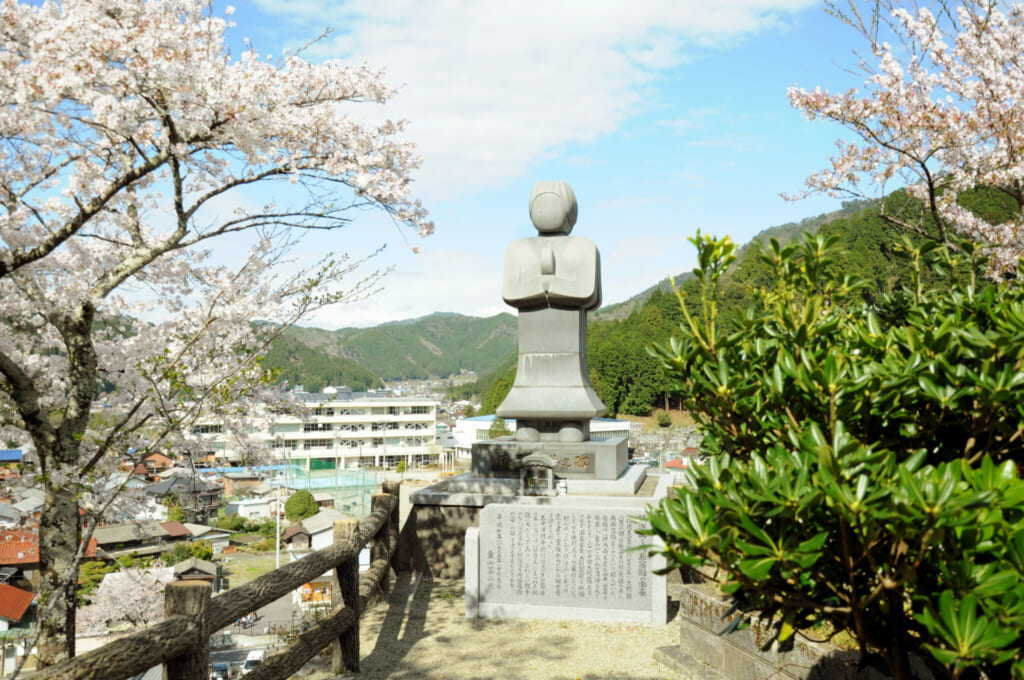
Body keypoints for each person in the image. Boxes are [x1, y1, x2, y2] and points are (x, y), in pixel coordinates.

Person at [496, 181, 607, 443]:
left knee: (569, 383)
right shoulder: (517, 249)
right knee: (529, 382)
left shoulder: (584, 248)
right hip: (531, 346)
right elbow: (510, 291)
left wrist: (548, 285)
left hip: (568, 344)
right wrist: (545, 285)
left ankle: (572, 419)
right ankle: (527, 420)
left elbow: (586, 291)